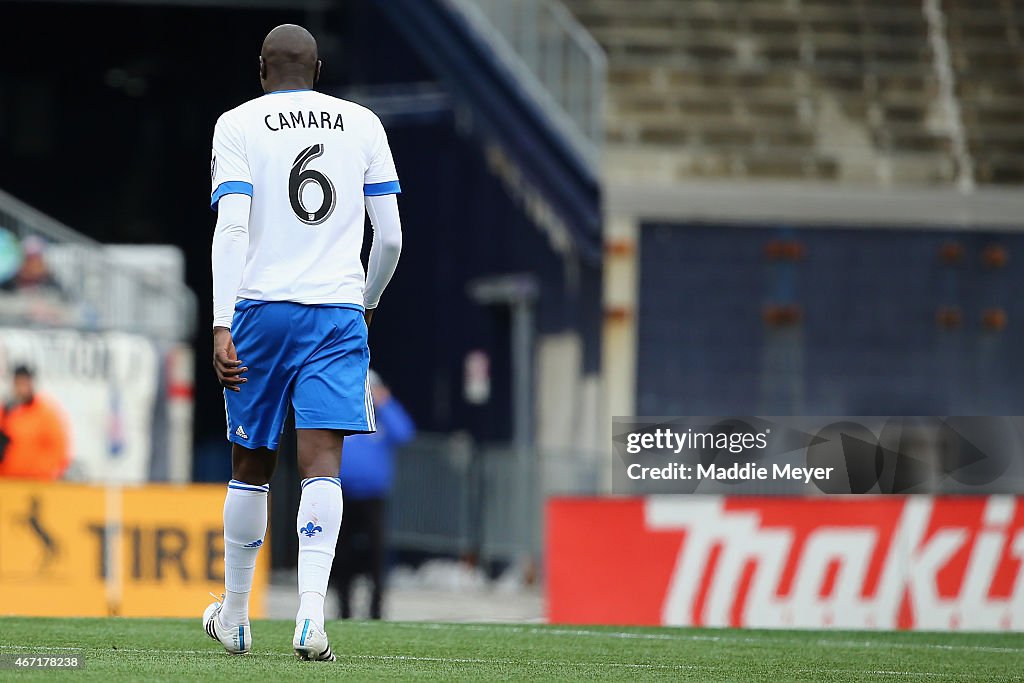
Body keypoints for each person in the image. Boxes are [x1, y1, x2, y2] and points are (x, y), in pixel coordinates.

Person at [202, 24, 403, 661]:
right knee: (322, 464)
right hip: (337, 309)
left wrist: (221, 321)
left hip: (261, 307)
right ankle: (311, 620)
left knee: (251, 464)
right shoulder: (364, 124)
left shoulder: (236, 124)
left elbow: (231, 227)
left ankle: (236, 617)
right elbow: (392, 238)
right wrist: (365, 303)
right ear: (316, 71)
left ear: (262, 68)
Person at [331, 370, 415, 619]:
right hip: (344, 495)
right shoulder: (344, 413)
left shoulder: (381, 418)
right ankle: (343, 609)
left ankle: (376, 610)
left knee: (377, 556)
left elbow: (405, 433)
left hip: (373, 498)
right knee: (341, 554)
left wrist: (385, 403)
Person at [0, 365, 71, 480]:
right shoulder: (5, 412)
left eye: (24, 383)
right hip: (7, 482)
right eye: (18, 383)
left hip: (36, 483)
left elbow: (59, 448)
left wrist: (44, 471)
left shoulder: (45, 413)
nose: (21, 388)